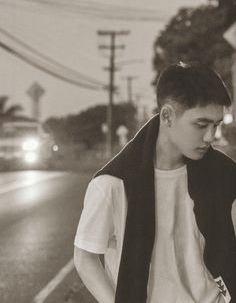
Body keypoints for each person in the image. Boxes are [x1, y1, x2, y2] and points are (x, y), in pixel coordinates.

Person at [74, 62, 236, 303]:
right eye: (201, 125)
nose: (210, 137)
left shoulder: (224, 174)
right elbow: (85, 257)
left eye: (216, 125)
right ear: (167, 116)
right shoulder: (114, 183)